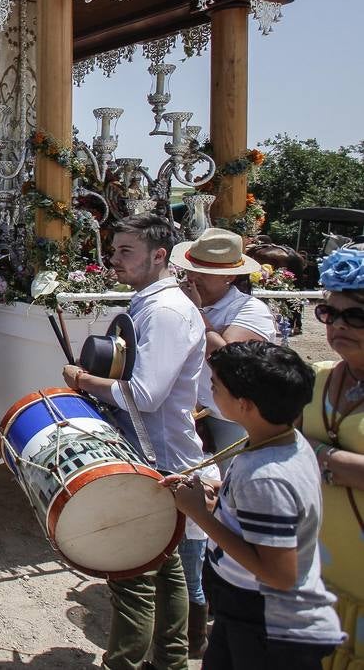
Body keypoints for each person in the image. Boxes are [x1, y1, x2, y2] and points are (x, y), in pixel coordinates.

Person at [62, 213, 204, 670]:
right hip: (151, 453)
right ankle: (171, 662)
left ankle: (127, 663)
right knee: (167, 572)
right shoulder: (153, 304)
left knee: (133, 574)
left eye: (127, 251)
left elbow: (144, 395)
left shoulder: (164, 311)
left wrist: (84, 380)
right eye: (115, 249)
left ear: (159, 255)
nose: (115, 259)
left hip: (157, 456)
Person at [165, 341, 344, 669]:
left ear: (245, 405)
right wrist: (223, 494)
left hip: (266, 621)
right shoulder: (278, 441)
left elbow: (279, 574)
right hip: (246, 610)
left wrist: (199, 515)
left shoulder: (266, 478)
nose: (209, 392)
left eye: (215, 386)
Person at [171, 226, 276, 654]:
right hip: (195, 417)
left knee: (230, 511)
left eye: (203, 273)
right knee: (196, 511)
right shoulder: (191, 302)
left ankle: (215, 605)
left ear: (230, 277)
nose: (191, 279)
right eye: (189, 271)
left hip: (230, 422)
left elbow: (229, 360)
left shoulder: (252, 312)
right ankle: (198, 605)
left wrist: (197, 314)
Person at [301, 245, 364, 670]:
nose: (338, 324)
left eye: (355, 315)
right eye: (330, 313)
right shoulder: (317, 377)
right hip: (319, 575)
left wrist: (316, 453)